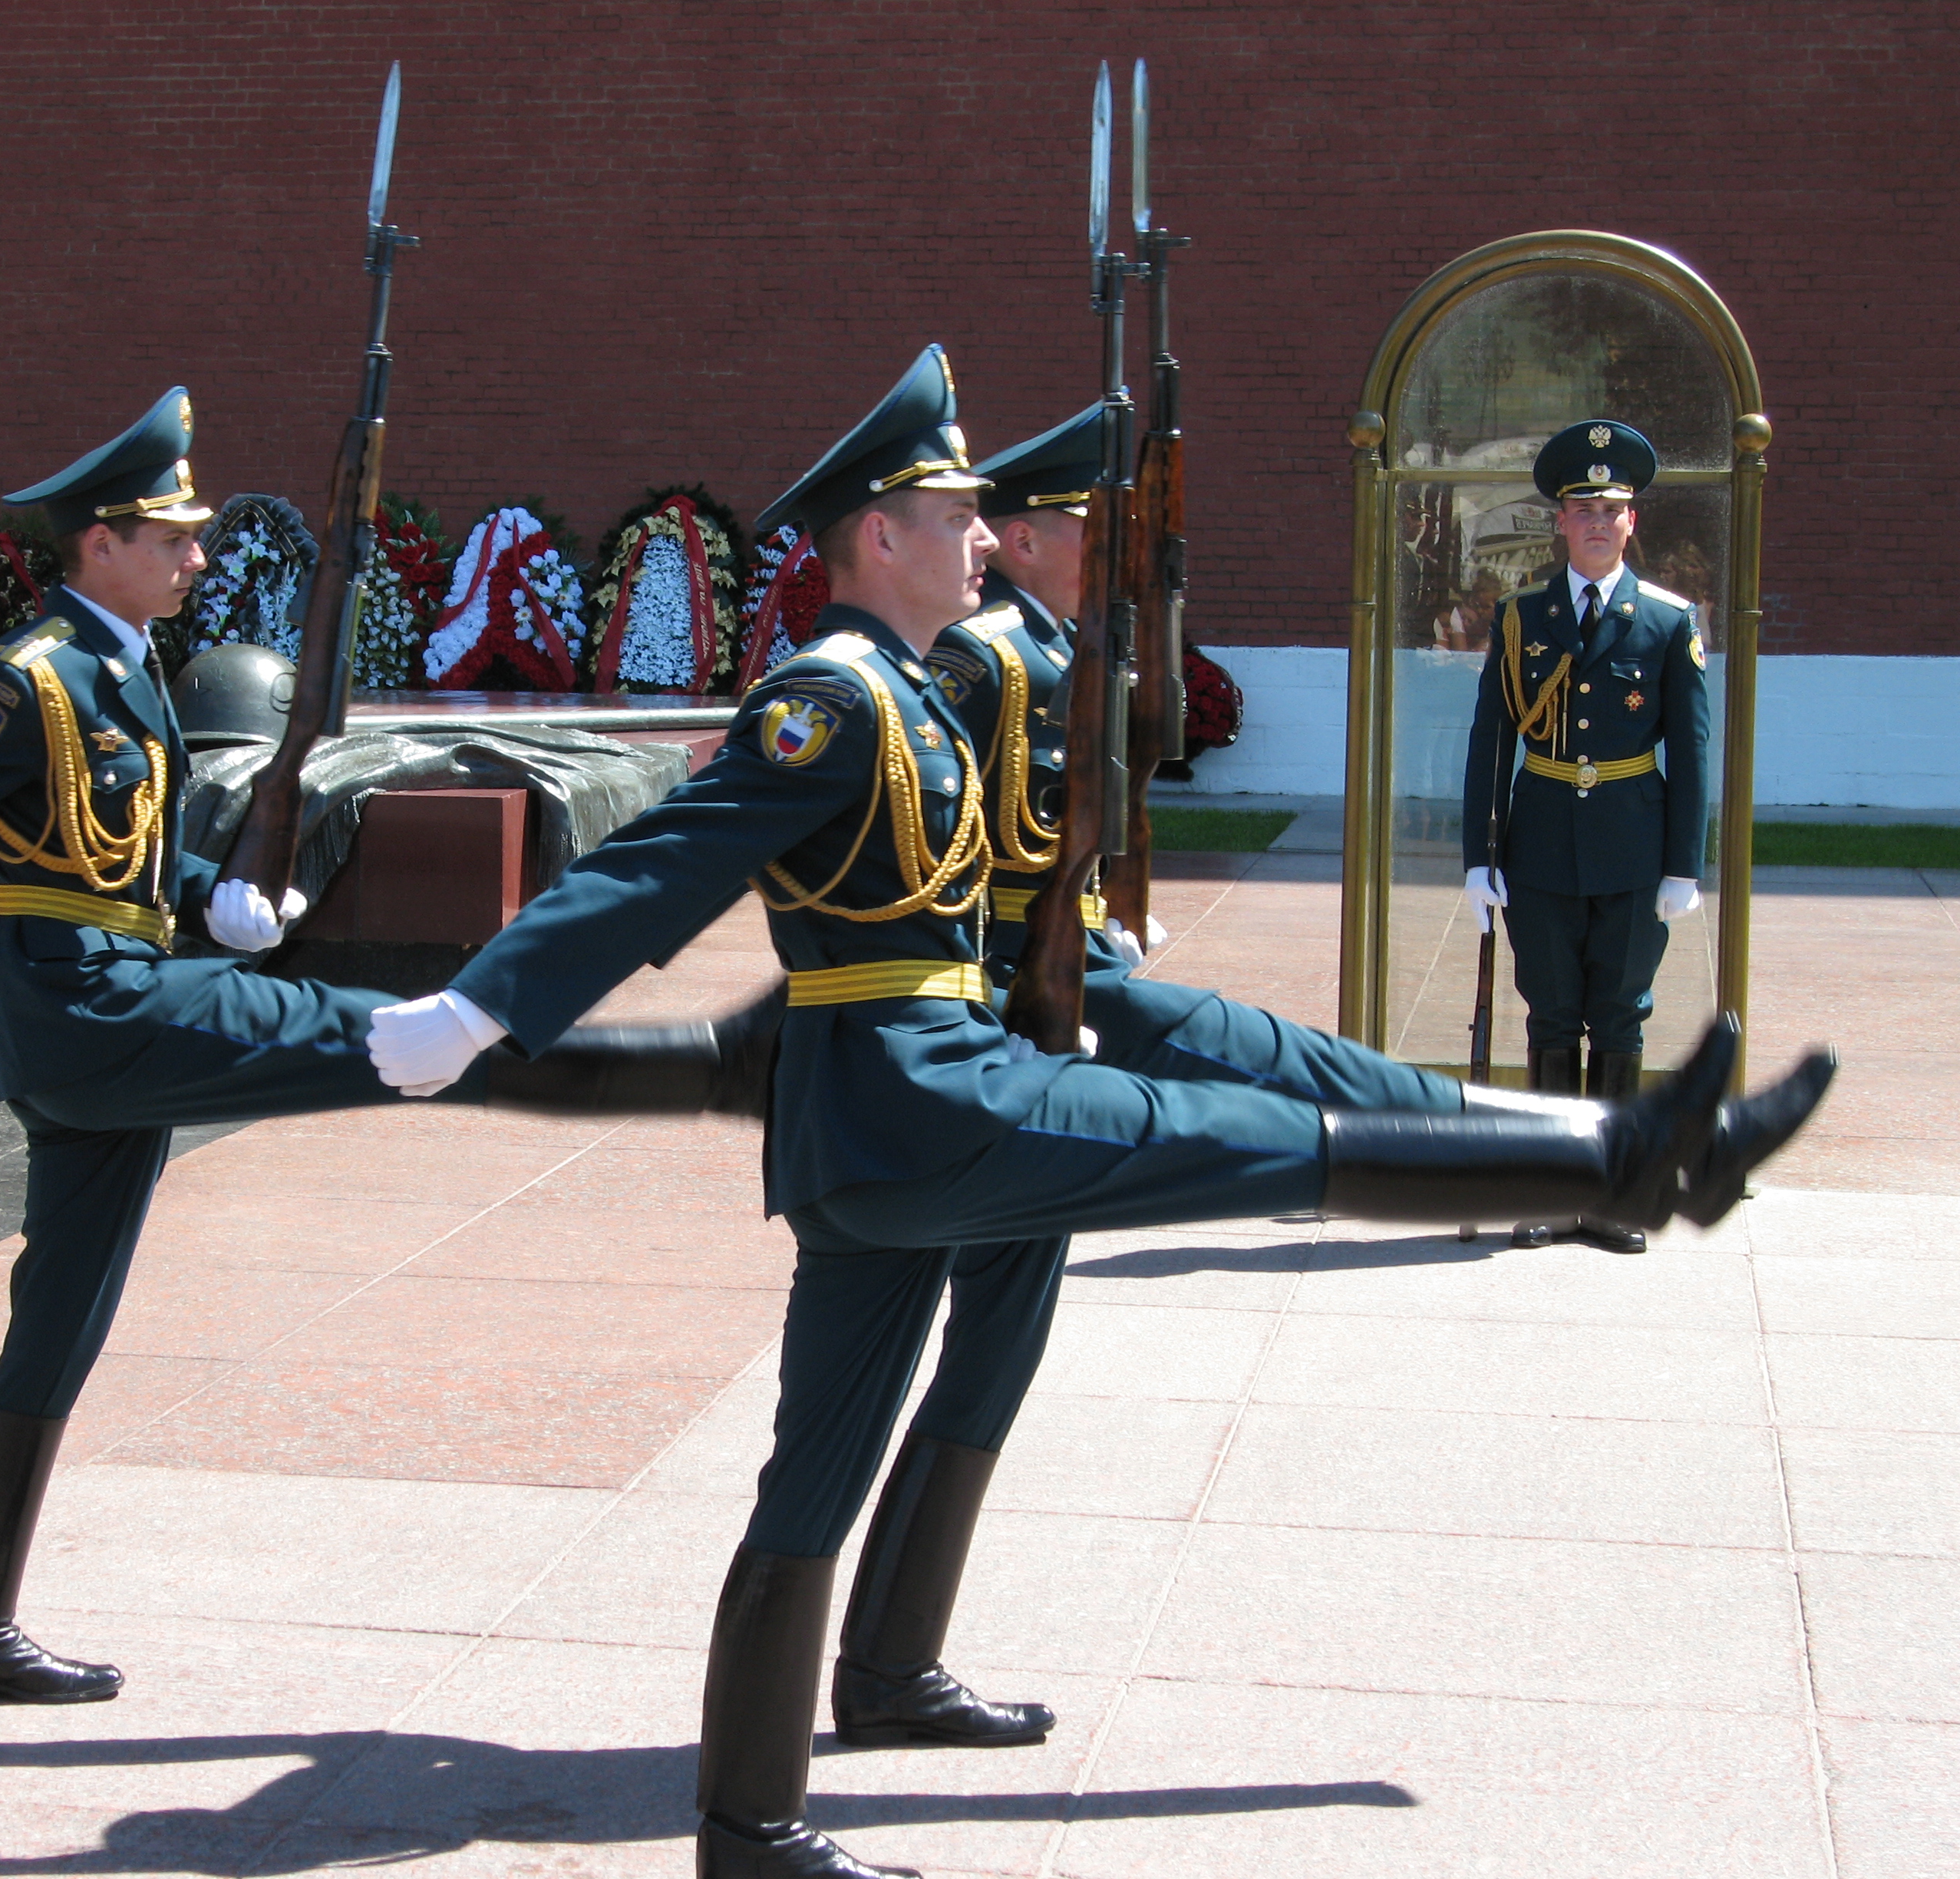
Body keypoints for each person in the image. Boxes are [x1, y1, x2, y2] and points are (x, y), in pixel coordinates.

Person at [365, 349, 1833, 1879]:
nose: (981, 533)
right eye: (948, 512)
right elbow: (670, 855)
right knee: (1246, 1141)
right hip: (930, 1099)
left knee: (815, 1471)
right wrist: (484, 1003)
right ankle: (1620, 1158)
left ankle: (751, 1829)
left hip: (896, 1115)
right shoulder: (835, 699)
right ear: (879, 536)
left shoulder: (908, 694)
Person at [0, 388, 773, 1707]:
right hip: (94, 1008)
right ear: (99, 542)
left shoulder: (116, 666)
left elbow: (98, 840)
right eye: (171, 536)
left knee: (56, 1328)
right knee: (399, 1036)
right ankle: (709, 1062)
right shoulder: (24, 682)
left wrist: (201, 894)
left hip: (111, 996)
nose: (196, 557)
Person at [1460, 420, 1712, 1253]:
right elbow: (1493, 742)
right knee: (1551, 1018)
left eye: (1612, 508)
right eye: (1582, 508)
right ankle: (1546, 1188)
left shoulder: (1669, 623)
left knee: (1620, 1020)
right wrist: (1477, 856)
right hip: (1539, 846)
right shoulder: (1521, 617)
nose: (1598, 522)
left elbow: (1695, 748)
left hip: (1635, 848)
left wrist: (1685, 865)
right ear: (1559, 522)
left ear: (1633, 521)